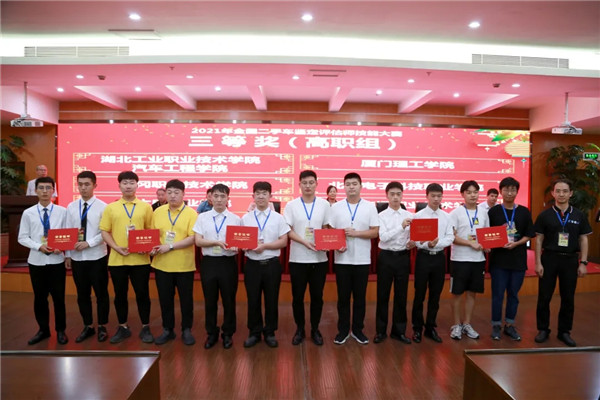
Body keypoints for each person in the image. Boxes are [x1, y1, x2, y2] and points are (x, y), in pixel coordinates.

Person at [534, 178, 592, 347]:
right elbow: (538, 240)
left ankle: (564, 331)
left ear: (571, 193)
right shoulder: (545, 215)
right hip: (549, 259)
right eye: (558, 191)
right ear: (553, 193)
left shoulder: (579, 215)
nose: (561, 194)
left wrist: (583, 262)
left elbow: (583, 239)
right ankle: (543, 329)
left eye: (565, 191)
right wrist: (538, 263)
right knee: (544, 296)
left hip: (570, 260)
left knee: (568, 297)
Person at [99, 171, 154, 344]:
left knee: (142, 294)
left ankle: (145, 326)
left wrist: (145, 247)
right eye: (125, 183)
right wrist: (115, 247)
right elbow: (104, 231)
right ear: (119, 186)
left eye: (131, 182)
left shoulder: (145, 207)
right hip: (118, 260)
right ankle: (123, 326)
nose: (128, 186)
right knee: (120, 295)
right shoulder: (111, 207)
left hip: (140, 260)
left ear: (137, 185)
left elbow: (150, 231)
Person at [328, 172, 379, 345]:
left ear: (361, 186)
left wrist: (356, 233)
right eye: (348, 184)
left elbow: (375, 232)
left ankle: (358, 330)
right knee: (343, 298)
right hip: (342, 260)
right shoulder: (336, 207)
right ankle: (343, 331)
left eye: (354, 184)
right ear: (344, 187)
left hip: (362, 260)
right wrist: (336, 244)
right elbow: (330, 230)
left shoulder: (370, 207)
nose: (351, 187)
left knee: (360, 298)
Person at [18, 176, 68, 345]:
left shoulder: (62, 211)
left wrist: (64, 250)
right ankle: (43, 330)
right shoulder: (28, 213)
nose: (45, 191)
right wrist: (39, 246)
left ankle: (61, 330)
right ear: (35, 190)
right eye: (41, 188)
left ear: (53, 190)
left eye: (48, 188)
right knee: (40, 298)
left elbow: (68, 234)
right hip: (36, 261)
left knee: (59, 298)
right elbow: (22, 237)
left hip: (57, 261)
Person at [284, 170, 330, 346]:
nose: (308, 186)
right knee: (298, 297)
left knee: (317, 297)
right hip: (298, 259)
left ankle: (315, 329)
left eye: (311, 182)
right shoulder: (291, 205)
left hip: (319, 259)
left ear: (316, 184)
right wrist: (304, 242)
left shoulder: (324, 205)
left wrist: (326, 241)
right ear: (299, 185)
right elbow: (288, 230)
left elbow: (326, 227)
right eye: (304, 183)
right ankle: (300, 329)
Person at [241, 181, 290, 348]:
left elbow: (283, 242)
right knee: (253, 299)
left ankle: (270, 332)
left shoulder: (279, 218)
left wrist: (265, 246)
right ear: (253, 196)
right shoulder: (245, 218)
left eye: (264, 193)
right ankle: (254, 332)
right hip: (252, 265)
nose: (261, 196)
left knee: (271, 299)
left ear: (270, 196)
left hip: (271, 265)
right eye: (258, 193)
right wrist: (244, 245)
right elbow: (240, 241)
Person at [194, 183, 241, 349]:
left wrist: (237, 246)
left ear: (228, 198)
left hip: (228, 263)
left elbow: (240, 241)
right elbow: (198, 241)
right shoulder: (202, 218)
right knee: (210, 300)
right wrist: (216, 242)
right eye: (216, 196)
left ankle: (228, 333)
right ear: (210, 198)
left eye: (223, 196)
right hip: (209, 263)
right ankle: (211, 333)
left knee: (229, 300)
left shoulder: (236, 219)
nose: (219, 199)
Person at [151, 179, 198, 346]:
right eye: (169, 192)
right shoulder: (158, 212)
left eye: (176, 193)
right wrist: (151, 247)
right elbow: (153, 234)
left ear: (183, 194)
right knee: (165, 300)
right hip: (161, 264)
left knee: (186, 300)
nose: (172, 196)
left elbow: (193, 238)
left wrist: (170, 246)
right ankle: (167, 329)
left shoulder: (191, 213)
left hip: (184, 265)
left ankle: (186, 329)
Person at [64, 171, 109, 343]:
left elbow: (105, 232)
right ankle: (88, 326)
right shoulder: (71, 207)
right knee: (82, 294)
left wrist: (88, 243)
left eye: (87, 184)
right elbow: (68, 232)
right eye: (80, 184)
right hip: (77, 258)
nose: (83, 188)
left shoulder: (103, 207)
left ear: (94, 185)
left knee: (101, 294)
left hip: (97, 256)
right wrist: (68, 254)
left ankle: (102, 325)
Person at [488, 177, 535, 341]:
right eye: (506, 189)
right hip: (499, 260)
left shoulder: (524, 212)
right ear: (500, 191)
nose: (509, 193)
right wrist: (495, 242)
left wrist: (516, 244)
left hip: (518, 260)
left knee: (513, 294)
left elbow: (529, 234)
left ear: (517, 192)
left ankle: (509, 325)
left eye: (513, 190)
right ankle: (496, 325)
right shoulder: (493, 212)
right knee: (497, 295)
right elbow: (487, 233)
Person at [411, 183, 454, 344]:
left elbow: (450, 237)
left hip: (439, 258)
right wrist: (427, 244)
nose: (436, 199)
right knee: (419, 294)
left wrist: (437, 244)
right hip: (423, 257)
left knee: (435, 295)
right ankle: (417, 328)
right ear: (427, 196)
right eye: (433, 196)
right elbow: (415, 239)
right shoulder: (418, 216)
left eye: (439, 196)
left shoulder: (446, 216)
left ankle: (430, 327)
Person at [448, 180, 489, 341]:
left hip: (478, 260)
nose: (473, 195)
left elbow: (486, 234)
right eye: (469, 192)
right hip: (459, 259)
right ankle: (456, 325)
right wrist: (470, 243)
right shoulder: (455, 213)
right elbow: (452, 237)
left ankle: (467, 324)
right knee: (457, 293)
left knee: (472, 293)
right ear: (462, 194)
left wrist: (487, 245)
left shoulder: (484, 212)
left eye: (475, 192)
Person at [374, 181, 413, 344]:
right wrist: (401, 226)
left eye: (398, 194)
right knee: (382, 295)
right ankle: (381, 331)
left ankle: (399, 331)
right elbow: (383, 237)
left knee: (401, 296)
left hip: (403, 257)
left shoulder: (409, 215)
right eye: (392, 194)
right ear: (387, 196)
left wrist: (412, 242)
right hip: (386, 258)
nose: (396, 197)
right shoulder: (381, 216)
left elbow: (413, 236)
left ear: (402, 195)